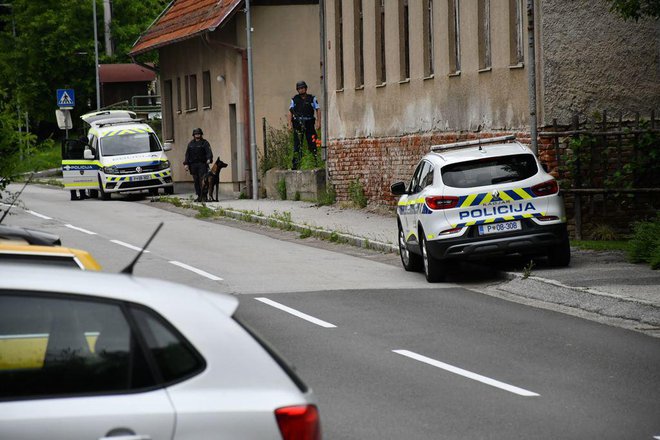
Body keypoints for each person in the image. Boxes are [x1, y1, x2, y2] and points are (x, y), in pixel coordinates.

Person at [288, 80, 321, 169]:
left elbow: (318, 109)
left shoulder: (312, 98)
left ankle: (314, 162)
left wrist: (318, 122)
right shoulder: (294, 99)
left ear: (306, 88)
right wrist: (289, 124)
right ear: (297, 90)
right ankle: (296, 165)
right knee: (297, 144)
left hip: (309, 122)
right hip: (298, 123)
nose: (301, 90)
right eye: (299, 88)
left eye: (303, 88)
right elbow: (290, 112)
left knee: (312, 143)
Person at [183, 128, 213, 202]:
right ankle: (199, 196)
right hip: (193, 165)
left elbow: (209, 152)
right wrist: (186, 164)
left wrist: (209, 159)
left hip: (202, 164)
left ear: (201, 134)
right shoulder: (191, 144)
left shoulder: (205, 143)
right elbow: (187, 155)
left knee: (203, 180)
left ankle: (204, 196)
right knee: (196, 181)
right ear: (193, 135)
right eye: (196, 134)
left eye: (198, 134)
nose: (197, 135)